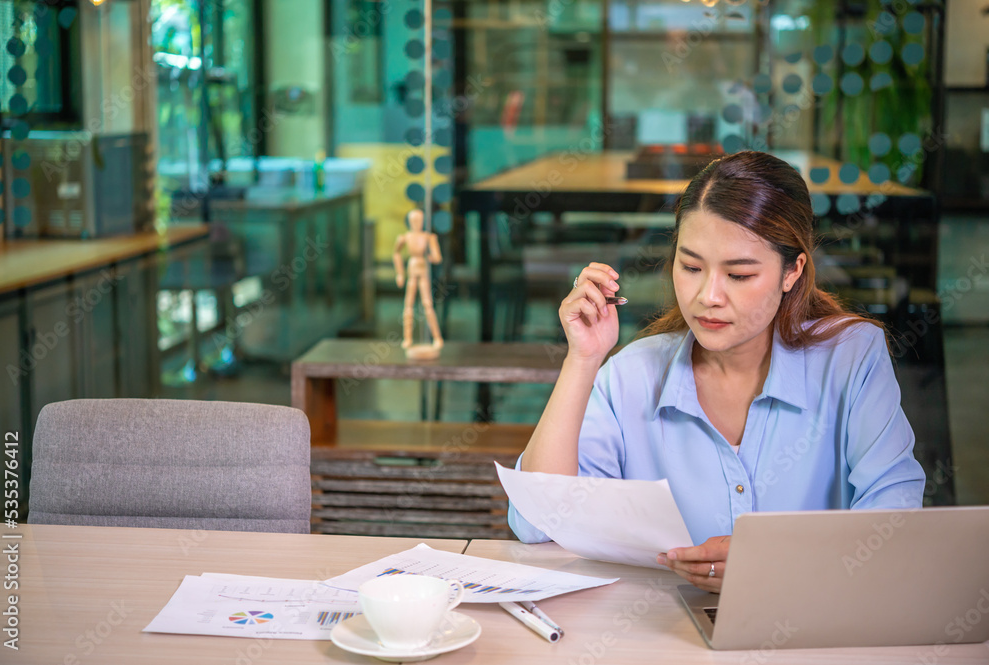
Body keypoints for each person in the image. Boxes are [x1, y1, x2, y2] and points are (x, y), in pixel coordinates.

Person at [508, 151, 926, 593]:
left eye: (739, 275)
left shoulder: (851, 359)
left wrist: (775, 562)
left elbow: (895, 522)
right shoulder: (632, 374)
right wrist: (583, 360)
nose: (708, 295)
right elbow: (539, 523)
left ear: (792, 271)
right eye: (690, 267)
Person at [394, 209, 444, 350]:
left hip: (423, 270)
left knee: (427, 304)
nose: (416, 223)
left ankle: (436, 337)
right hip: (412, 270)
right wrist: (399, 273)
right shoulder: (404, 237)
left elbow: (437, 257)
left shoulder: (428, 237)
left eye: (419, 220)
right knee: (408, 304)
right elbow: (396, 254)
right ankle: (408, 338)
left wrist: (431, 256)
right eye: (414, 220)